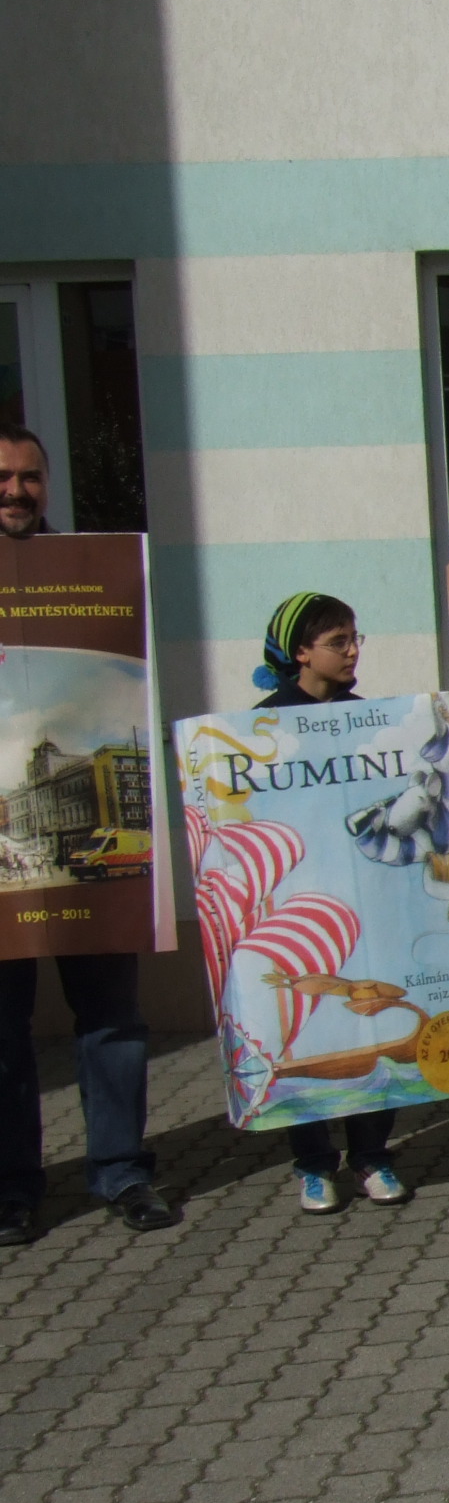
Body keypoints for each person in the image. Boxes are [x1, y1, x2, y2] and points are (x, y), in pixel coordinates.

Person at [0, 425, 173, 1244]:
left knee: (111, 1019)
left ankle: (122, 1170)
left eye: (30, 476)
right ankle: (12, 1187)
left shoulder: (86, 573)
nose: (17, 490)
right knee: (2, 1033)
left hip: (89, 877)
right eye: (4, 476)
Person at [249, 592, 409, 1212]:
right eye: (337, 642)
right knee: (307, 1028)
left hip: (367, 898)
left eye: (354, 639)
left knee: (371, 1017)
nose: (351, 652)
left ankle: (372, 1154)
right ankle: (314, 1164)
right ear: (300, 652)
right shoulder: (258, 730)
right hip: (301, 905)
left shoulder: (371, 721)